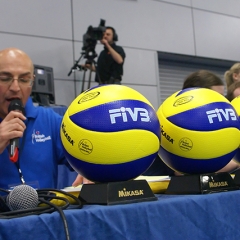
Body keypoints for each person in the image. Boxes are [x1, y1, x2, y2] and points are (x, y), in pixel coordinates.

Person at [0, 47, 87, 190]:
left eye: (24, 79)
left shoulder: (50, 121)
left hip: (46, 210)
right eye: (5, 78)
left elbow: (86, 155)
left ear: (32, 82)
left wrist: (91, 170)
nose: (15, 87)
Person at [143, 70, 239, 176]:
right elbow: (185, 172)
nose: (223, 101)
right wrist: (236, 160)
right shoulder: (172, 121)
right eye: (218, 96)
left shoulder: (215, 125)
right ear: (198, 95)